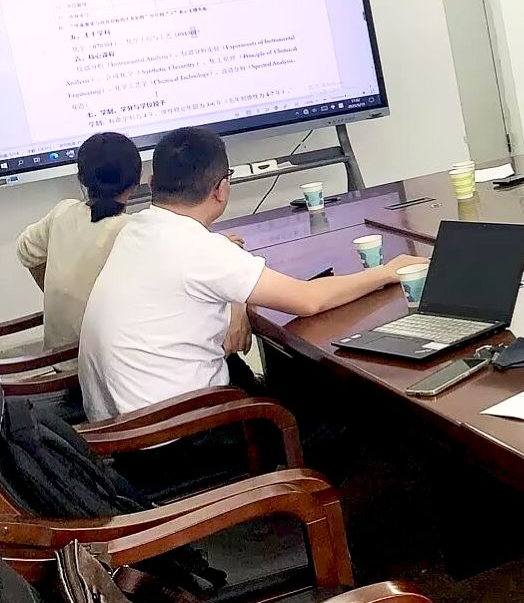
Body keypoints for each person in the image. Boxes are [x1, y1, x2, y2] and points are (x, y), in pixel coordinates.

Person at [78, 126, 426, 421]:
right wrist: (386, 272)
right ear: (221, 189)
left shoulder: (138, 229)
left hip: (122, 429)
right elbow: (308, 300)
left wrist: (237, 302)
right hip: (179, 439)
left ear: (153, 184)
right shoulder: (198, 248)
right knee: (346, 409)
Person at [16, 132, 141, 354]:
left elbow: (25, 250)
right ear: (136, 183)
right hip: (106, 362)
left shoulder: (63, 212)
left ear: (81, 177)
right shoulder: (132, 231)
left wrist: (57, 291)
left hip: (58, 356)